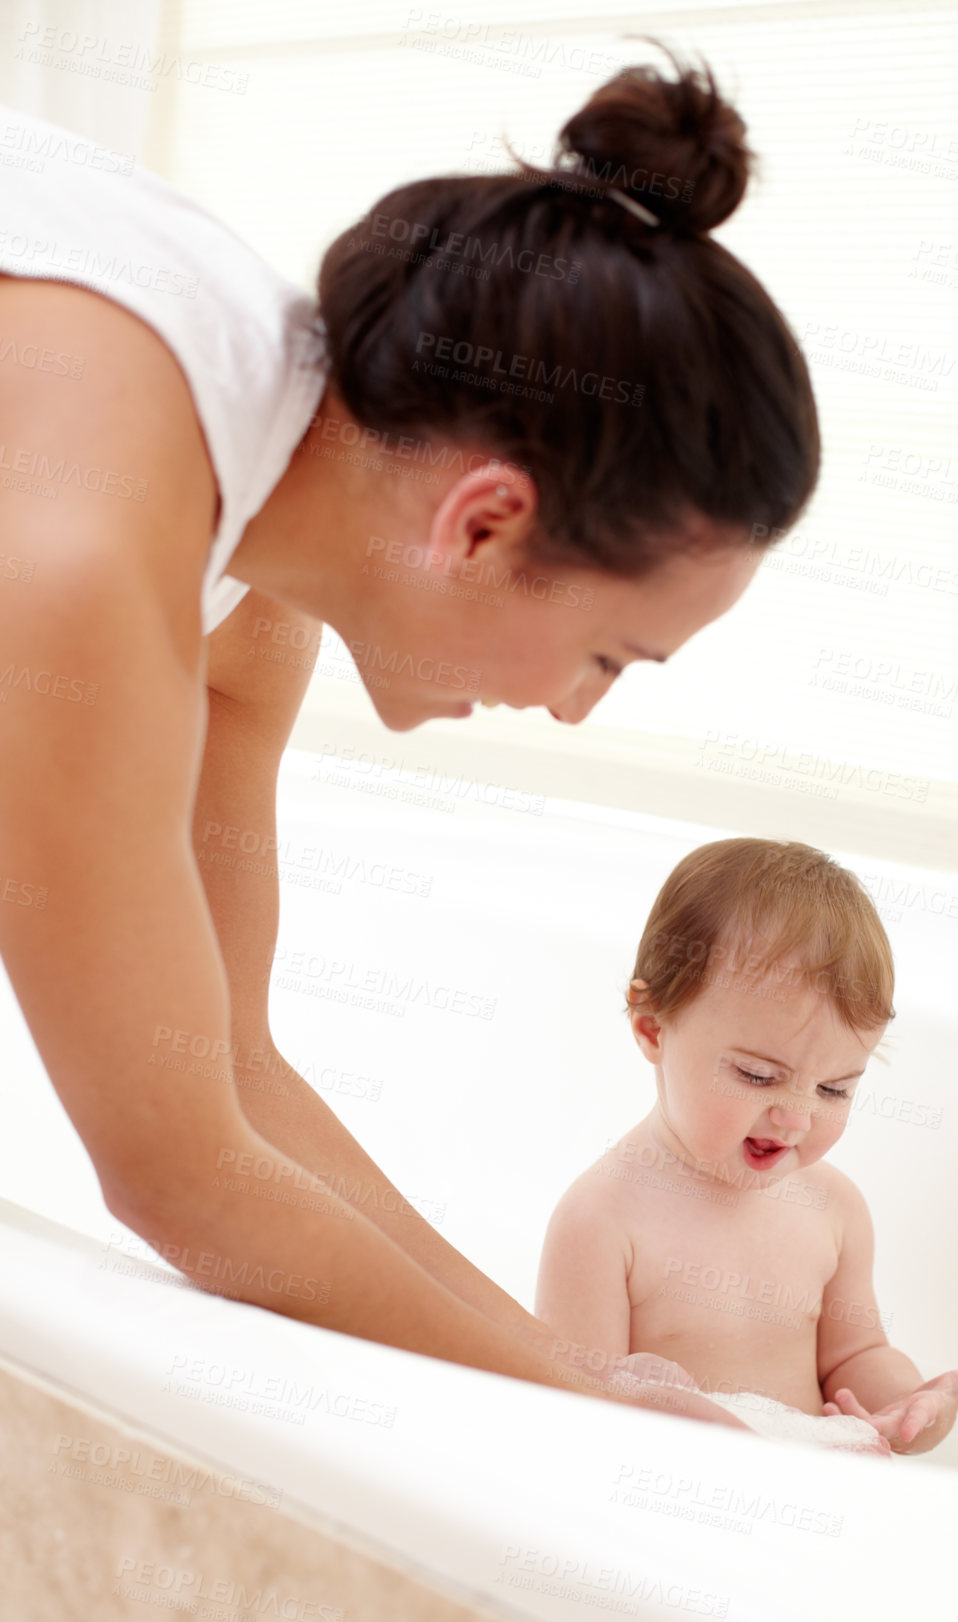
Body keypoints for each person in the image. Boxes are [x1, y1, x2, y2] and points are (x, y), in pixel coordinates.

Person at [0, 48, 818, 1428]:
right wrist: (592, 1417)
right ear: (483, 523)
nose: (573, 707)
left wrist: (576, 1372)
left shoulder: (254, 568)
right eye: (607, 656)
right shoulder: (94, 550)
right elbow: (173, 1173)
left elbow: (228, 1079)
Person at [535, 839, 958, 1452]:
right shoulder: (600, 1220)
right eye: (757, 1077)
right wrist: (637, 1405)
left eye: (835, 1089)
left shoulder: (833, 1209)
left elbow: (855, 1355)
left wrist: (906, 1405)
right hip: (668, 1498)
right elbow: (565, 1413)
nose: (796, 1116)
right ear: (652, 1028)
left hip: (811, 1495)